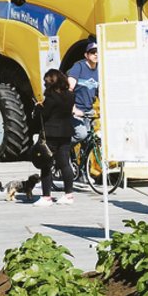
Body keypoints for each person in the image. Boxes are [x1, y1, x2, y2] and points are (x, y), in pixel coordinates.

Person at [36, 68, 76, 206]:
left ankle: (46, 197)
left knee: (46, 164)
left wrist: (38, 108)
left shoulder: (51, 97)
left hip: (51, 133)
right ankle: (68, 194)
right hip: (66, 132)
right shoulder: (71, 95)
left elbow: (45, 114)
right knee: (65, 163)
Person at [66, 40, 100, 144]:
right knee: (82, 134)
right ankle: (62, 148)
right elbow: (69, 89)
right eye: (92, 52)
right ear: (86, 55)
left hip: (88, 111)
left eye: (97, 51)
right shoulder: (79, 67)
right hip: (76, 110)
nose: (96, 54)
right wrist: (73, 109)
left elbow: (101, 92)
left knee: (91, 138)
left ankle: (84, 160)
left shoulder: (100, 69)